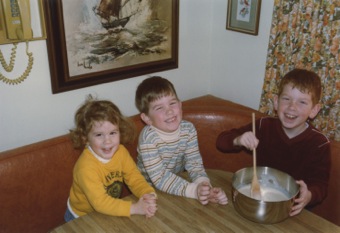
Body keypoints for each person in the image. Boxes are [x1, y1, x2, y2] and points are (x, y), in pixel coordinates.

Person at [216, 68, 331, 216]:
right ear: (276, 102)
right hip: (256, 199)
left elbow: (321, 185)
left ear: (314, 110)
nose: (292, 107)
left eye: (302, 102)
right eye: (286, 99)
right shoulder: (264, 126)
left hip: (293, 209)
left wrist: (309, 195)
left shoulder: (319, 143)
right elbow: (221, 142)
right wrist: (238, 139)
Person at [135, 76, 228, 205]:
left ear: (180, 105)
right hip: (147, 193)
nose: (169, 111)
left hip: (176, 186)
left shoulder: (188, 129)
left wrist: (205, 187)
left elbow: (194, 164)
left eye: (172, 103)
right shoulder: (148, 139)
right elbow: (160, 178)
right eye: (159, 108)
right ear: (147, 119)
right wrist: (195, 191)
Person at [64, 96, 157, 222]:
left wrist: (147, 194)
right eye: (99, 135)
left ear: (120, 131)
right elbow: (101, 203)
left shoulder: (121, 152)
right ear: (85, 138)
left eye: (113, 133)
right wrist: (134, 208)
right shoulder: (85, 168)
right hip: (81, 217)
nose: (107, 141)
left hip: (107, 211)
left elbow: (134, 177)